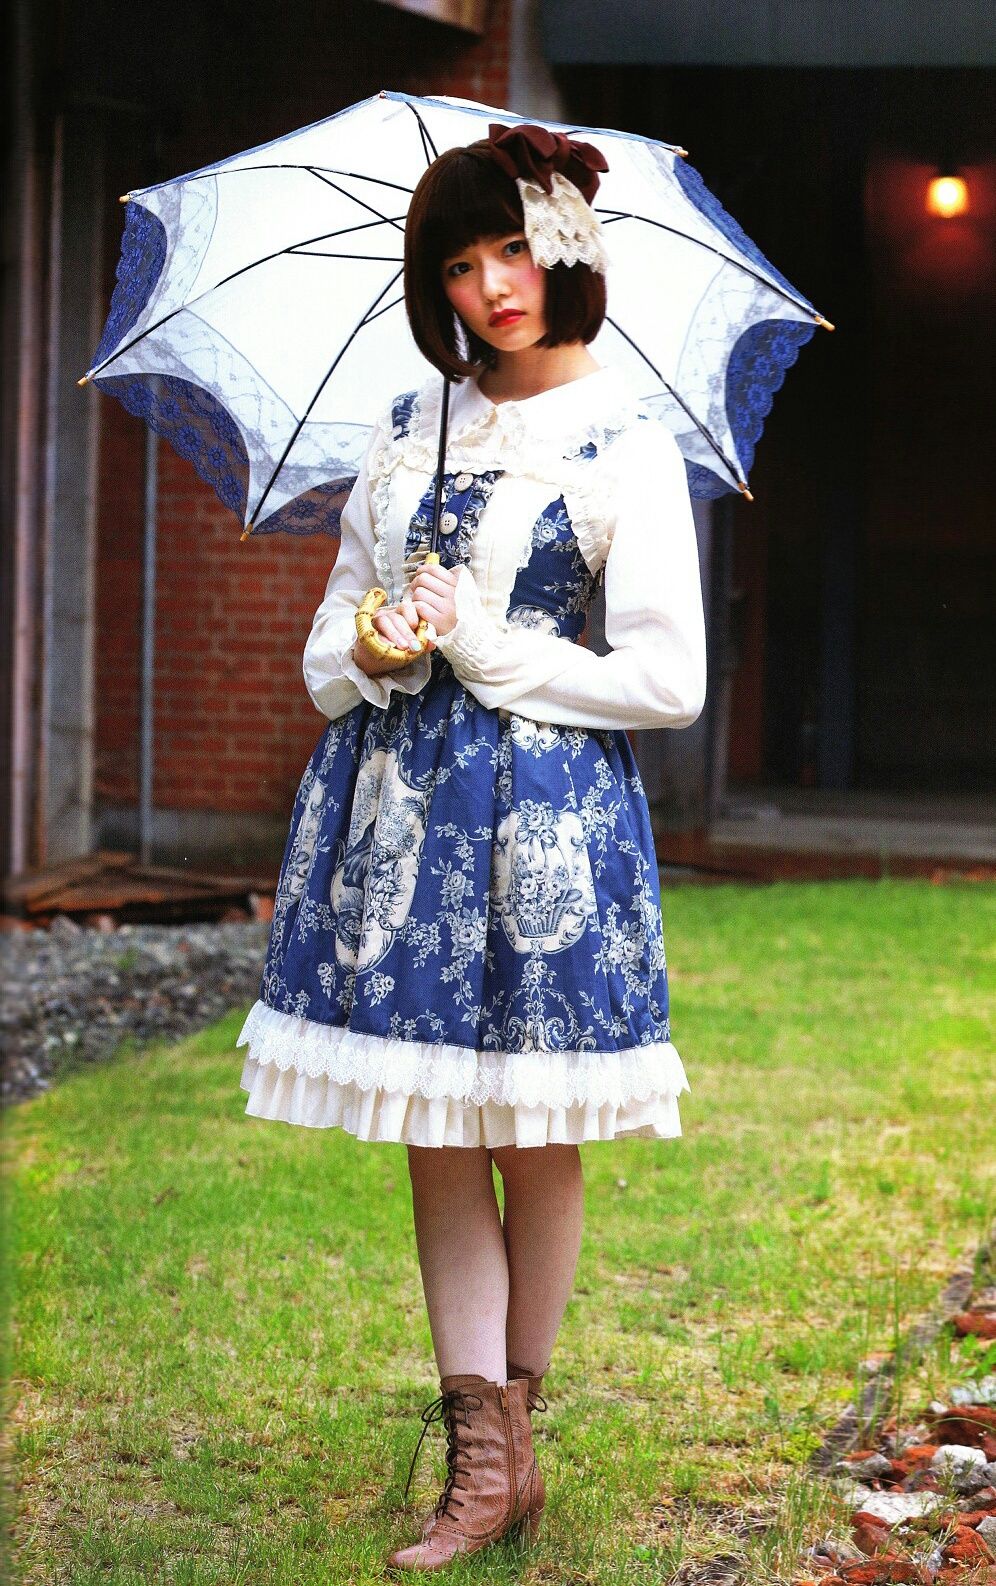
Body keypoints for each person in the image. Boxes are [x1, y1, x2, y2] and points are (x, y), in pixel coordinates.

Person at [236, 122, 707, 1573]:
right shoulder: (405, 426)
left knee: (535, 1132)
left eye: (510, 249)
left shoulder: (625, 442)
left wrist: (494, 647)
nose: (490, 287)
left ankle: (515, 1436)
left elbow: (669, 681)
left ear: (565, 249)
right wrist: (374, 644)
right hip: (402, 817)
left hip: (549, 826)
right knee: (436, 1131)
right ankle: (482, 1469)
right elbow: (330, 638)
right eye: (457, 263)